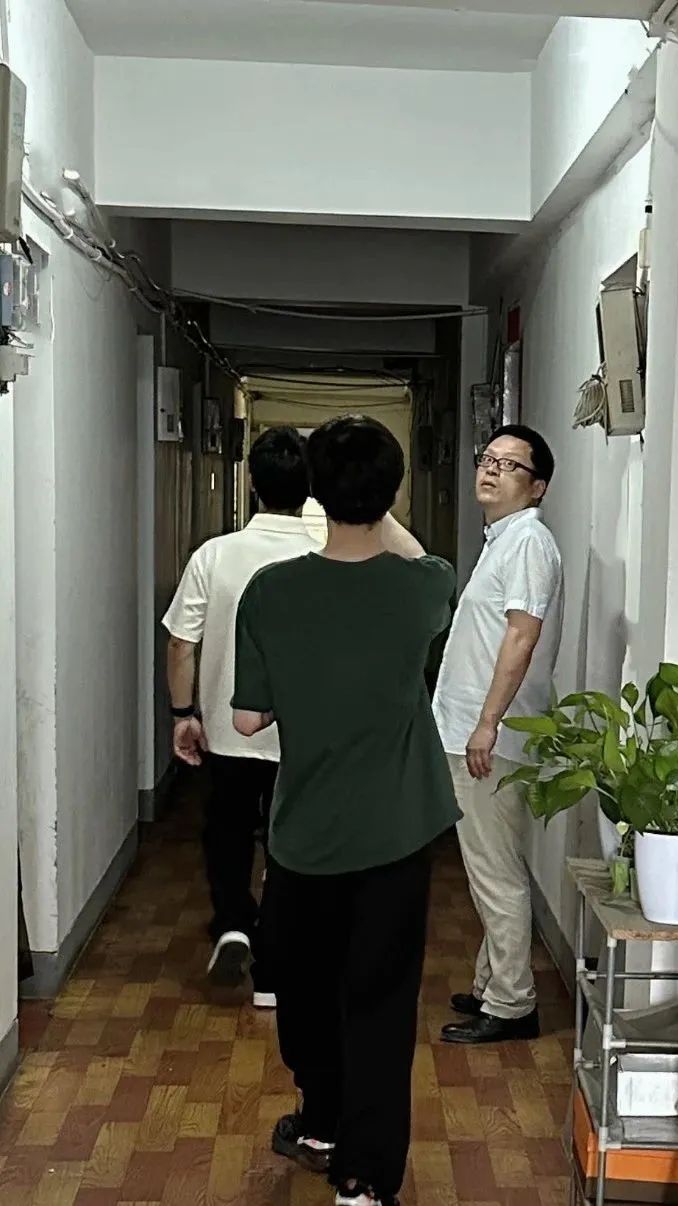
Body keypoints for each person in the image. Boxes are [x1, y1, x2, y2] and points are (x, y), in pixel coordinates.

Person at [232, 416, 459, 1206]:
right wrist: (376, 511)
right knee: (380, 1004)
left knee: (305, 991)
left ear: (312, 494)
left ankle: (322, 1121)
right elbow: (420, 559)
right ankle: (362, 1178)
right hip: (397, 832)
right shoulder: (422, 587)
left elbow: (248, 719)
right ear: (392, 492)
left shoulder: (270, 591)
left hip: (305, 833)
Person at [163, 426, 316, 1005]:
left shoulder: (215, 555)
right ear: (309, 487)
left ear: (252, 483)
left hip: (228, 731)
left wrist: (184, 713)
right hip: (302, 734)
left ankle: (233, 921)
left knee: (226, 829)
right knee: (289, 843)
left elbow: (182, 643)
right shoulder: (326, 554)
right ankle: (274, 970)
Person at [433, 424, 563, 1045]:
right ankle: (493, 984)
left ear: (537, 488)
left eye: (510, 465)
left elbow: (521, 635)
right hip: (477, 729)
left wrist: (488, 723)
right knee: (489, 866)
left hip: (492, 736)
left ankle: (512, 1004)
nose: (490, 470)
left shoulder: (529, 541)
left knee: (495, 872)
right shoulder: (504, 540)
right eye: (488, 458)